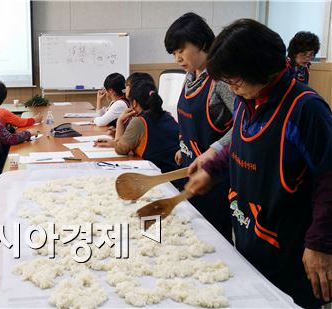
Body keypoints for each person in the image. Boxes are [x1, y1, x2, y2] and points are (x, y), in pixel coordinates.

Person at [186, 19, 332, 308]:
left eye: (236, 81)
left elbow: (329, 177)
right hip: (248, 239)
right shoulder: (247, 99)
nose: (233, 89)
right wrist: (212, 169)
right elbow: (242, 148)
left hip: (290, 251)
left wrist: (320, 243)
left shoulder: (305, 109)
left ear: (260, 69)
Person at [164, 12, 235, 242]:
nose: (177, 58)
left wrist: (215, 149)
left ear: (202, 43)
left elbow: (245, 126)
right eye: (174, 53)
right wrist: (183, 145)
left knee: (214, 240)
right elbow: (190, 120)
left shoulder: (221, 80)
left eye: (180, 50)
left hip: (216, 178)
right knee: (193, 234)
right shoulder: (190, 76)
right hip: (191, 169)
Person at [95, 79, 179, 173]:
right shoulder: (168, 116)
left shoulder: (139, 121)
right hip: (174, 171)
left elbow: (121, 149)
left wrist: (120, 121)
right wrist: (114, 142)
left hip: (155, 173)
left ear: (134, 103)